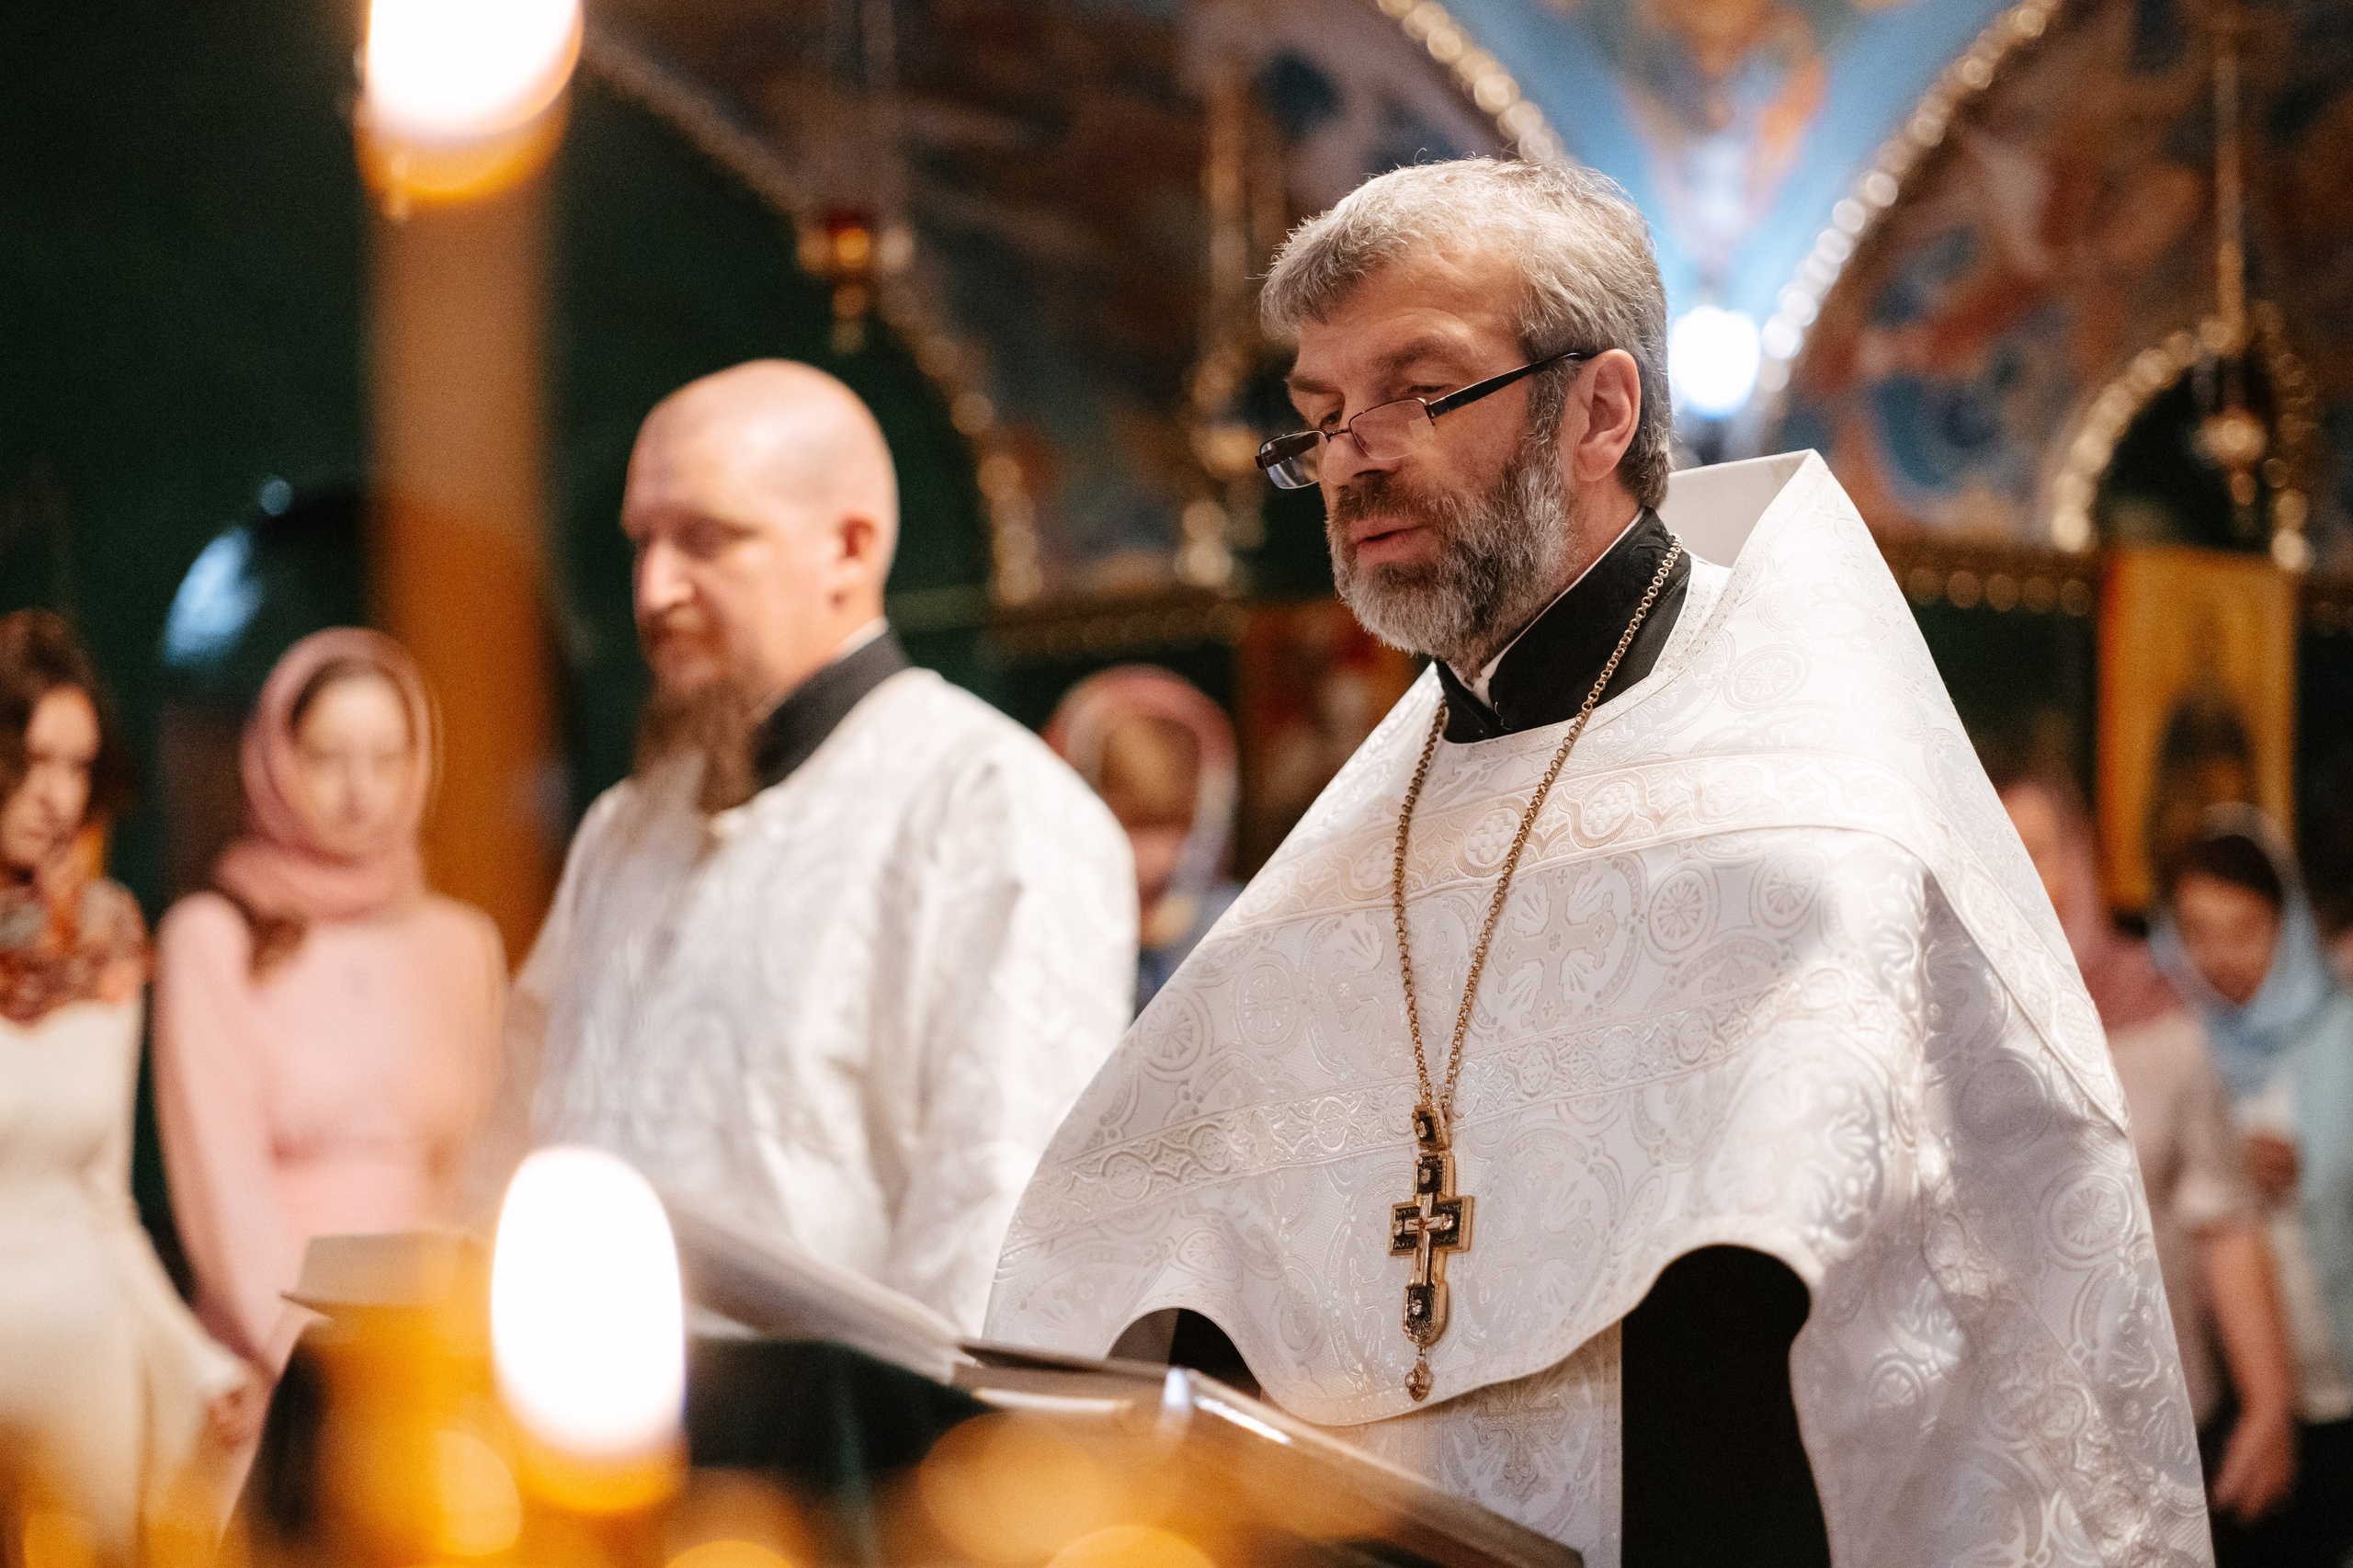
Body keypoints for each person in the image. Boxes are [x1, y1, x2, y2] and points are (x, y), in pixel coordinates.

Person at [985, 158, 2207, 1568]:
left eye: (1414, 390)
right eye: (1320, 417)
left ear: (1601, 408)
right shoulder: (1343, 863)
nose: (1351, 456)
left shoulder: (1809, 829)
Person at [494, 360, 1134, 1335]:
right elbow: (521, 1134)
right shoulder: (624, 826)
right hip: (579, 1449)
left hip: (828, 1461)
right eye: (643, 541)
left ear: (848, 547)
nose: (654, 588)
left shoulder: (990, 806)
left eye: (705, 538)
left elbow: (998, 1227)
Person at [153, 629, 506, 1379]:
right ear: (278, 759)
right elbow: (224, 1198)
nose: (358, 790)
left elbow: (477, 1170)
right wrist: (309, 1358)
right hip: (272, 1355)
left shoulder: (463, 943)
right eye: (326, 758)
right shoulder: (212, 936)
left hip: (431, 1350)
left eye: (386, 759)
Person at [0, 610, 245, 1564]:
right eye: (31, 759)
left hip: (85, 1362)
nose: (57, 795)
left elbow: (106, 1203)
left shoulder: (104, 936)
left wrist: (195, 1357)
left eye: (79, 765)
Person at [1996, 765, 2299, 1528]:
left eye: (2037, 847)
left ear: (2079, 857)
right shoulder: (1938, 1018)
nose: (2017, 872)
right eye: (1991, 844)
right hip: (2001, 1442)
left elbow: (2221, 1217)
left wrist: (2267, 1404)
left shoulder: (2157, 1014)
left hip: (2160, 1421)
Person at [2153, 808, 2353, 1568]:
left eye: (2244, 928)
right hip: (2224, 1395)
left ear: (2288, 924)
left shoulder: (2342, 1035)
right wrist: (2222, 1156)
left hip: (2340, 1382)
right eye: (2197, 930)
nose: (2219, 956)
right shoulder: (2166, 1046)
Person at [1046, 666, 1242, 1008]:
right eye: (1130, 826)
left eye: (1174, 825)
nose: (1154, 858)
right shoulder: (1050, 936)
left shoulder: (1238, 926)